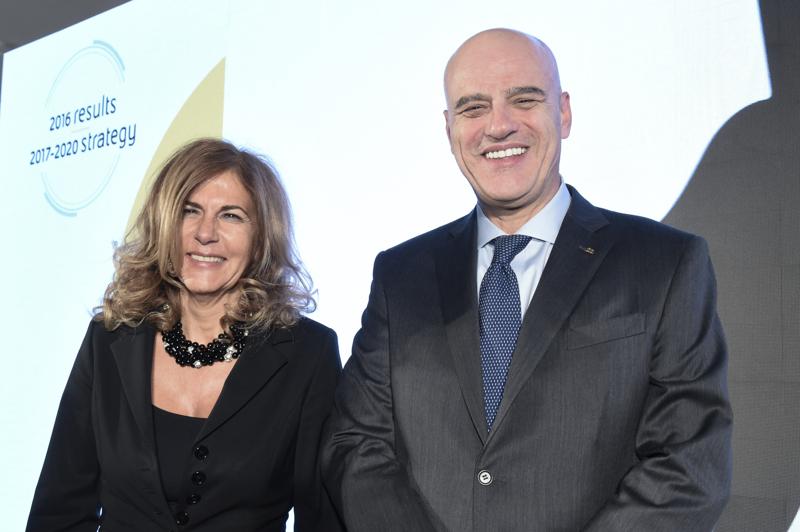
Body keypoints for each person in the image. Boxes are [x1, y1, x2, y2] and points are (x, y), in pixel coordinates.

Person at [322, 28, 732, 531]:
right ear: (450, 129)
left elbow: (688, 463)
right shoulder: (400, 275)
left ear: (564, 112)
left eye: (524, 99)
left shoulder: (664, 263)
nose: (499, 126)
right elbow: (356, 444)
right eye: (474, 108)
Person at [27, 138, 342, 531]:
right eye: (189, 211)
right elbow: (59, 511)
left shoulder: (307, 353)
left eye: (231, 216)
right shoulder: (110, 339)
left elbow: (323, 519)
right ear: (164, 224)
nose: (205, 233)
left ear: (262, 236)